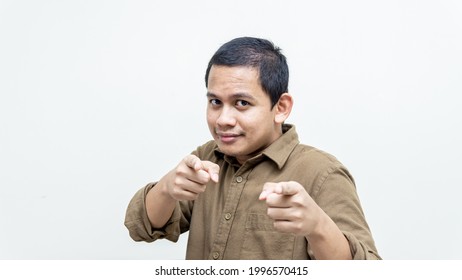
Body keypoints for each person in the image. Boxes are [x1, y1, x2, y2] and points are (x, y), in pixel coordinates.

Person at [124, 37, 380, 260]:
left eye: (242, 103)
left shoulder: (323, 173)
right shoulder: (206, 158)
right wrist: (167, 188)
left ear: (281, 107)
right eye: (215, 101)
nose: (223, 119)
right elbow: (141, 228)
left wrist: (318, 226)